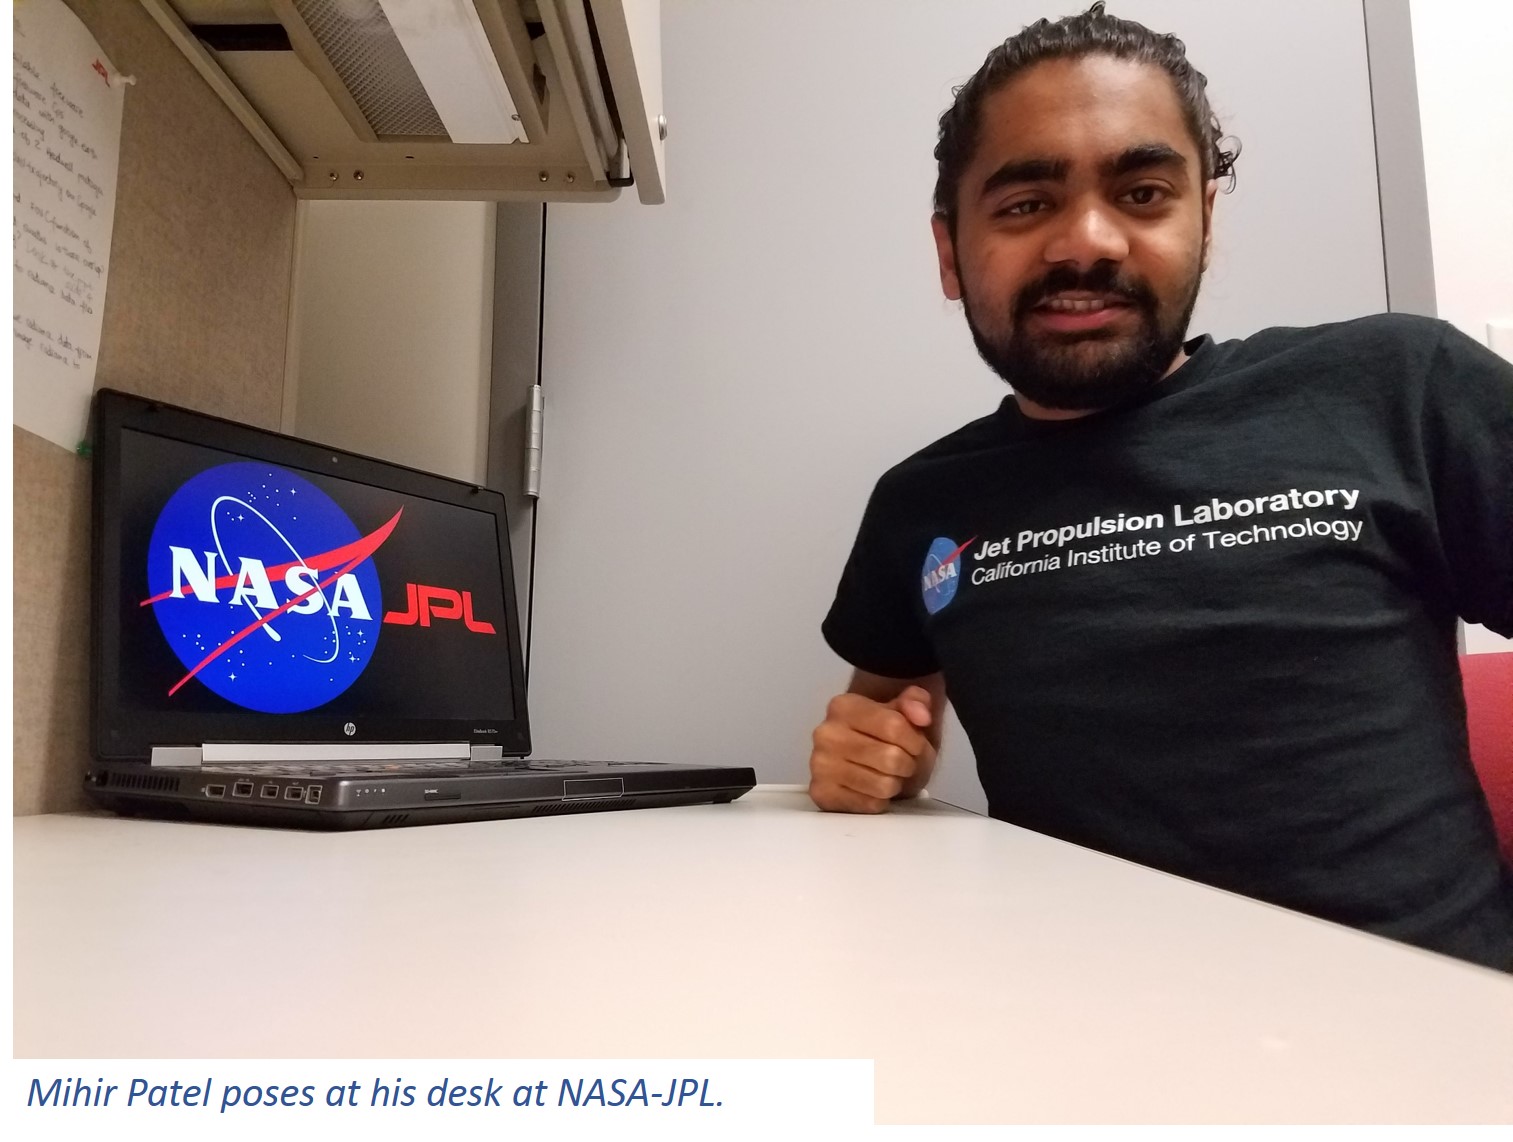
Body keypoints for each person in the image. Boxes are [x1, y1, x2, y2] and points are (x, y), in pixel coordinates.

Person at [810, 2, 1513, 971]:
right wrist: (870, 758)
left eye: (1141, 193)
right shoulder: (921, 505)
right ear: (948, 251)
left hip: (1433, 1045)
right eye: (1023, 205)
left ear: (1204, 220)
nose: (1084, 242)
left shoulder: (1397, 385)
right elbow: (879, 715)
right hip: (1089, 1040)